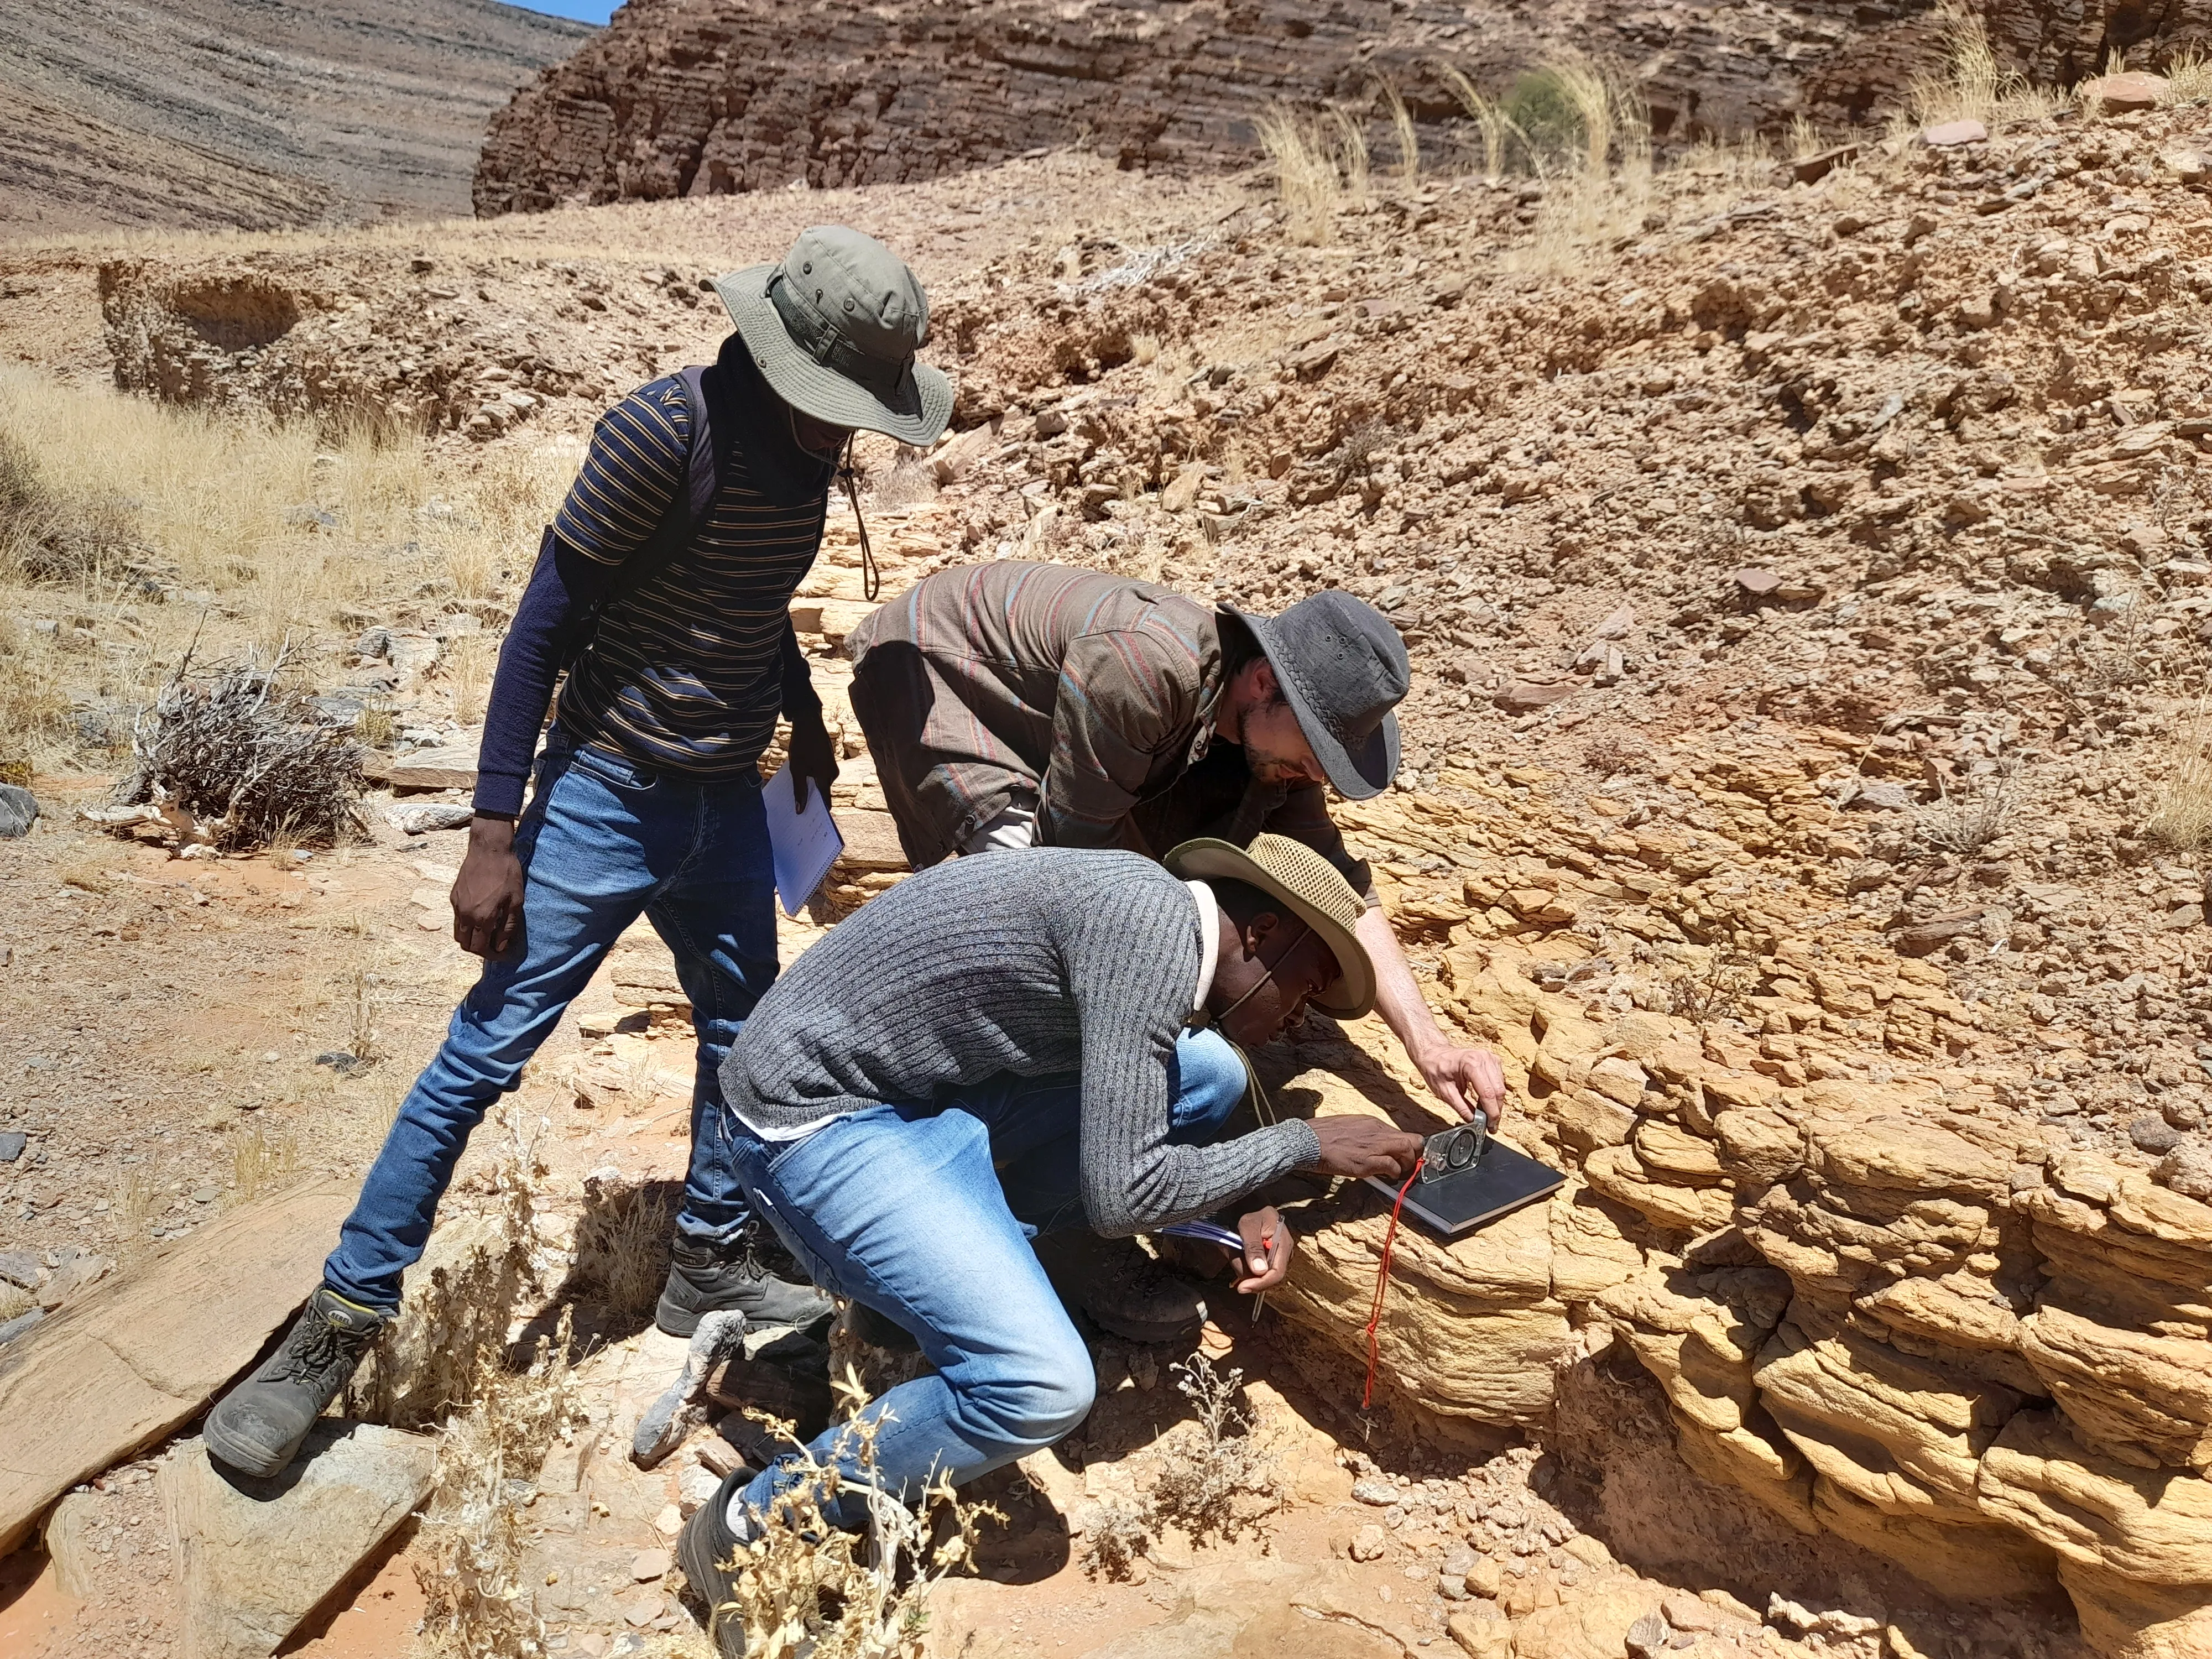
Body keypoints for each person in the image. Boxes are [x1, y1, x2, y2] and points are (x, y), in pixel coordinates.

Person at [203, 226, 953, 1481]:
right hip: (602, 790)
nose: (848, 432)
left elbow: (748, 607)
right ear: (780, 362)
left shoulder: (810, 458)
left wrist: (807, 724)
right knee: (481, 1054)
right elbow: (541, 624)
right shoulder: (662, 434)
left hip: (723, 800)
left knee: (745, 1041)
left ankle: (709, 1256)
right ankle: (339, 1320)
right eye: (836, 406)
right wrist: (495, 830)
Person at [674, 834, 1428, 1656]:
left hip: (923, 1092)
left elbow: (1138, 1135)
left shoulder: (1158, 919)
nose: (1300, 1017)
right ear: (1263, 936)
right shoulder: (1149, 943)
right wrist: (1299, 1146)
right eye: (1308, 987)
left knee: (1206, 1072)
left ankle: (928, 1293)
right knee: (1040, 1386)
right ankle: (749, 1524)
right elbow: (1124, 1197)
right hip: (813, 1116)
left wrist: (1242, 1192)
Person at [847, 561, 1509, 1126]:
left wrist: (1430, 1044)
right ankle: (976, 1102)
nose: (1314, 777)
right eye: (1315, 756)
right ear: (1262, 683)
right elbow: (1077, 862)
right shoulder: (1141, 668)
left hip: (1070, 707)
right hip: (939, 669)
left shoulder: (1277, 741)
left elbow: (1345, 892)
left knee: (1198, 833)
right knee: (1031, 895)